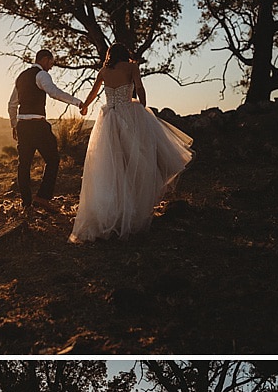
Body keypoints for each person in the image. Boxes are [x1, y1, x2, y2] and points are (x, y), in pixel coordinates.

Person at [70, 43, 194, 243]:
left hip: (109, 117)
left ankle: (113, 209)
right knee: (136, 159)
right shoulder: (131, 67)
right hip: (128, 114)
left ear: (110, 54)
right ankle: (134, 208)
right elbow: (139, 87)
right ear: (125, 54)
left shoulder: (103, 71)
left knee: (110, 164)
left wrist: (84, 106)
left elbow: (93, 93)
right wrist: (143, 108)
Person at [8, 49, 85, 215]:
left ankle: (27, 204)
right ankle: (42, 198)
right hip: (38, 126)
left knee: (24, 164)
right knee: (53, 159)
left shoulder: (21, 77)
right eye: (51, 62)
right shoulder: (42, 75)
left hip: (22, 126)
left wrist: (15, 125)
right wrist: (78, 102)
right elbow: (54, 92)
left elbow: (12, 104)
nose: (52, 66)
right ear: (44, 59)